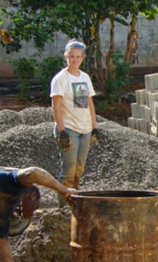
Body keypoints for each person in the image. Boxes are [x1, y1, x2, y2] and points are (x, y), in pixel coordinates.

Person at [50, 39, 98, 206]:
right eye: (71, 56)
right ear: (66, 56)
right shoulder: (60, 79)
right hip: (69, 128)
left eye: (78, 56)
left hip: (85, 129)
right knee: (68, 171)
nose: (74, 59)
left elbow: (88, 103)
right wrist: (62, 131)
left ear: (83, 58)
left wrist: (94, 127)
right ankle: (63, 208)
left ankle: (75, 203)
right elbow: (56, 107)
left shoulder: (84, 77)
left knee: (79, 170)